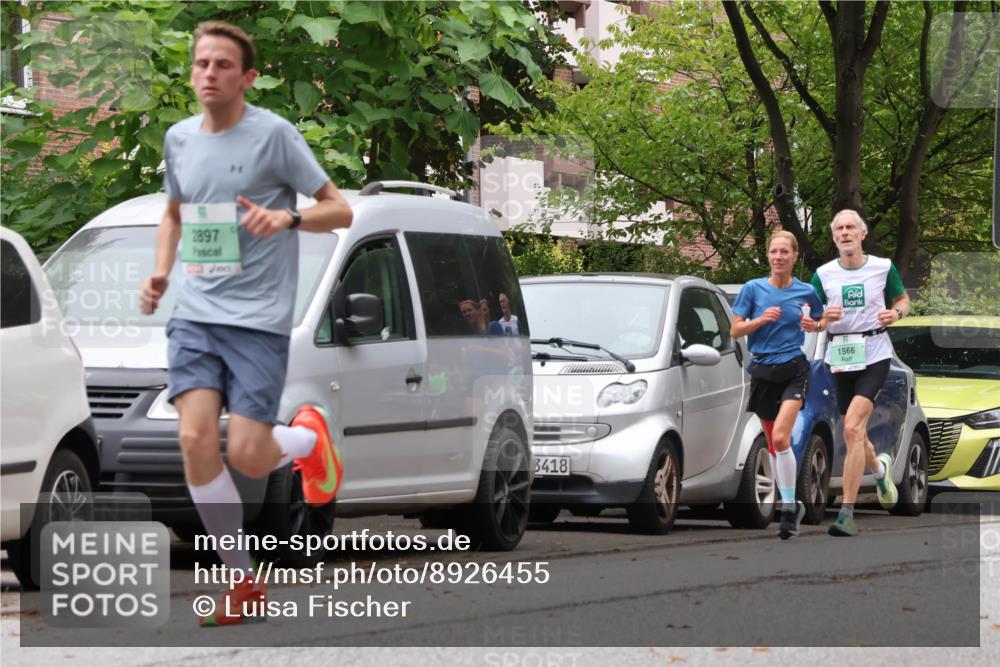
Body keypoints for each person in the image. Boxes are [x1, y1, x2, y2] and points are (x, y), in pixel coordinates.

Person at [138, 21, 353, 625]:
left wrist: (286, 221)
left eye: (223, 65)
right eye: (201, 64)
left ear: (248, 77)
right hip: (197, 316)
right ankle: (241, 580)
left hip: (258, 321)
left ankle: (309, 441)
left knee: (252, 456)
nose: (210, 73)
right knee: (194, 440)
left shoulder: (274, 136)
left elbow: (340, 208)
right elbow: (174, 216)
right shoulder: (179, 139)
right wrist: (160, 272)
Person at [811, 210, 907, 537]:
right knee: (856, 434)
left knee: (851, 426)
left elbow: (903, 300)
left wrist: (895, 313)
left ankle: (846, 515)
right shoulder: (823, 275)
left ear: (862, 234)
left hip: (874, 353)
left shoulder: (882, 267)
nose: (845, 232)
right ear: (834, 237)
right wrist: (823, 317)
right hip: (840, 354)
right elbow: (810, 320)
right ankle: (880, 470)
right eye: (839, 228)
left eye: (851, 227)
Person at [730, 231, 824, 540]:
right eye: (774, 252)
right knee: (773, 444)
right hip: (762, 370)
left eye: (785, 252)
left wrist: (815, 325)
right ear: (768, 256)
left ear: (795, 256)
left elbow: (822, 320)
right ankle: (792, 503)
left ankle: (786, 507)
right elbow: (735, 329)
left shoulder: (806, 291)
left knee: (782, 437)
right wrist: (759, 321)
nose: (778, 257)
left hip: (794, 369)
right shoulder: (753, 289)